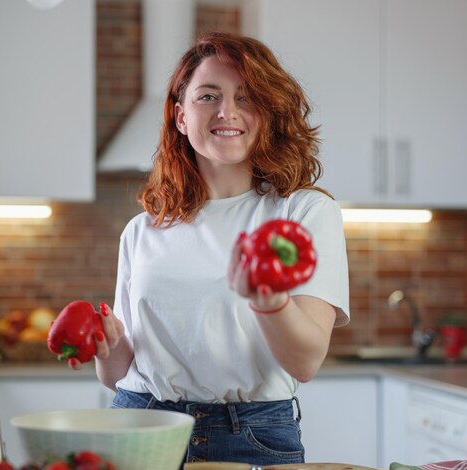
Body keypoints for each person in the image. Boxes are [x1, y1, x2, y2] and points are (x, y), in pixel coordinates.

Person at [70, 31, 350, 466]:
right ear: (181, 117)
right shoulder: (142, 230)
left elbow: (305, 361)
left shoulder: (303, 213)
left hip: (251, 434)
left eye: (246, 97)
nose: (227, 112)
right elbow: (118, 374)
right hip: (140, 425)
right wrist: (107, 347)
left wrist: (267, 299)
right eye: (208, 96)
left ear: (269, 113)